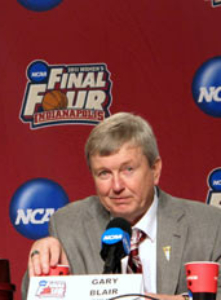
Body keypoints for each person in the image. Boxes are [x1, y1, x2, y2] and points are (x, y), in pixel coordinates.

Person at [23, 112, 221, 300]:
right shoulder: (67, 226)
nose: (117, 186)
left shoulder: (209, 226)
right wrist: (42, 266)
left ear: (155, 170)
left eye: (128, 170)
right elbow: (35, 295)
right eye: (104, 173)